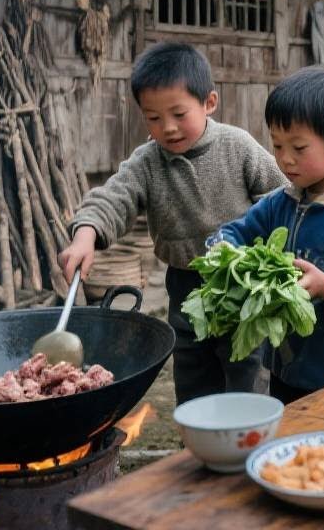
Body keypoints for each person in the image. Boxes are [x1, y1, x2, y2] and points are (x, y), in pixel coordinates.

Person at [60, 43, 285, 404]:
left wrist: (261, 251)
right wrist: (86, 234)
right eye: (153, 117)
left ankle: (247, 446)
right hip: (185, 286)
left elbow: (282, 194)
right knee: (194, 378)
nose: (168, 128)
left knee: (248, 372)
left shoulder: (237, 147)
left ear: (209, 102)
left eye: (179, 114)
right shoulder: (147, 162)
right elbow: (112, 198)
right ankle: (200, 448)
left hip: (242, 283)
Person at [210, 67, 324, 403]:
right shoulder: (279, 203)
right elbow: (234, 233)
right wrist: (223, 254)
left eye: (298, 147)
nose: (284, 159)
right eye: (277, 145)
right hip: (286, 370)